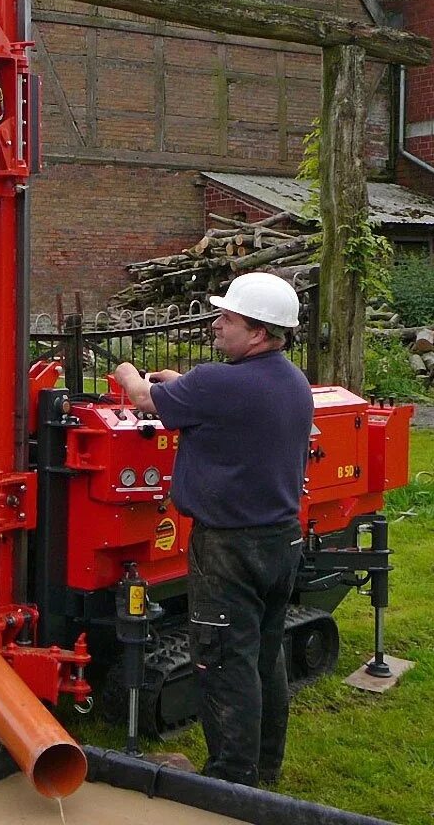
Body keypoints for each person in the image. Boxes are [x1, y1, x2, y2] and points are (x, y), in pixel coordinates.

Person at [113, 272, 313, 788]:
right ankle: (263, 768)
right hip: (282, 539)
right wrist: (183, 384)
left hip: (228, 547)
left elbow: (139, 398)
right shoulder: (290, 380)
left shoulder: (218, 384)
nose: (216, 325)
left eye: (228, 318)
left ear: (260, 333)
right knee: (264, 657)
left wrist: (130, 370)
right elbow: (219, 399)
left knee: (223, 662)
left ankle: (229, 781)